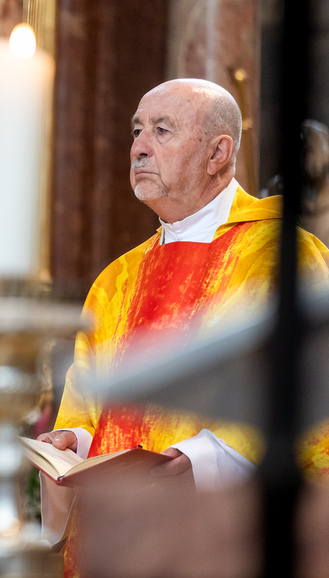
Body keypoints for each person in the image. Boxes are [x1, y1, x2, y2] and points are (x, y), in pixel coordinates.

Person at [37, 78, 329, 573]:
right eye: (136, 131)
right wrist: (74, 442)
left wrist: (203, 459)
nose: (139, 147)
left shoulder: (282, 257)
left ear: (218, 153)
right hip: (117, 537)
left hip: (222, 540)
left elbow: (306, 397)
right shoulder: (117, 279)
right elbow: (88, 405)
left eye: (162, 130)